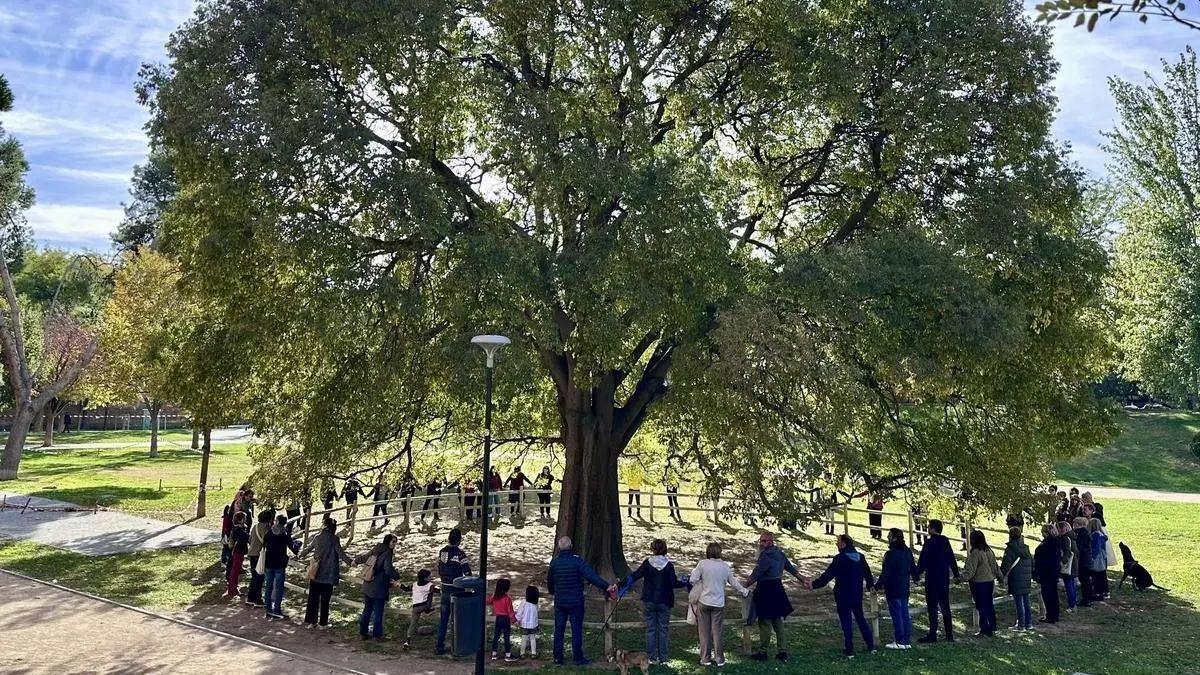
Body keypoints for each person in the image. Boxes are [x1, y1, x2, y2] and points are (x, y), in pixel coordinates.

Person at [547, 536, 616, 666]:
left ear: (559, 547)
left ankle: (557, 657)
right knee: (576, 629)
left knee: (559, 629)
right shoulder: (577, 561)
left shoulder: (554, 563)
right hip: (576, 601)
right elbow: (592, 576)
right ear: (571, 546)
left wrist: (553, 592)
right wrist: (606, 586)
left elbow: (550, 582)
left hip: (560, 602)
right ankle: (578, 657)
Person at [810, 534, 876, 658]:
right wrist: (870, 585)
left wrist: (814, 585)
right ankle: (870, 644)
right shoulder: (860, 557)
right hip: (857, 594)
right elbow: (868, 573)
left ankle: (849, 648)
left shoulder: (840, 558)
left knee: (846, 621)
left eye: (838, 541)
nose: (836, 544)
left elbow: (828, 575)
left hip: (843, 594)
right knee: (860, 618)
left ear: (843, 544)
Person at [623, 538, 687, 665]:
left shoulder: (648, 563)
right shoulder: (668, 565)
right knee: (663, 629)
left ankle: (651, 657)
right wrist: (685, 583)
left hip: (649, 599)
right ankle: (663, 658)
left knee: (650, 629)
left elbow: (635, 575)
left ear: (652, 549)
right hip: (665, 600)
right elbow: (674, 583)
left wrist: (621, 584)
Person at [745, 532, 805, 661]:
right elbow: (791, 569)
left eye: (764, 541)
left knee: (765, 622)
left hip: (766, 591)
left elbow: (755, 575)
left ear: (771, 542)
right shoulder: (780, 553)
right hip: (777, 590)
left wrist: (742, 586)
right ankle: (782, 652)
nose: (761, 543)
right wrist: (802, 579)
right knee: (778, 622)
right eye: (761, 541)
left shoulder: (765, 557)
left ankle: (763, 652)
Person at [690, 542, 749, 667]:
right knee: (717, 632)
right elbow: (734, 582)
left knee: (704, 632)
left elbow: (692, 579)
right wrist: (744, 591)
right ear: (720, 552)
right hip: (718, 603)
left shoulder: (702, 564)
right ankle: (719, 658)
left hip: (704, 601)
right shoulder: (725, 567)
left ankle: (705, 658)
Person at [299, 517, 352, 628]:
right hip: (329, 573)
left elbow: (308, 549)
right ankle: (323, 623)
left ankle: (311, 621)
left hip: (316, 572)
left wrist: (299, 554)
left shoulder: (317, 537)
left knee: (313, 598)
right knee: (325, 600)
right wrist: (351, 562)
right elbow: (340, 553)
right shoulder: (334, 539)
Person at [914, 519, 960, 643]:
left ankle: (932, 633)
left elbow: (923, 561)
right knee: (945, 607)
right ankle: (949, 634)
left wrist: (916, 575)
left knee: (932, 608)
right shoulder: (945, 541)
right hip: (943, 578)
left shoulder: (929, 543)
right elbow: (951, 558)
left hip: (932, 579)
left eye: (929, 527)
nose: (928, 529)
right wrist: (956, 574)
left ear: (933, 528)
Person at [355, 534, 401, 640]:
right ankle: (377, 635)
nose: (395, 544)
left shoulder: (376, 549)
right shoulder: (388, 553)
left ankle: (363, 633)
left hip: (368, 584)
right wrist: (397, 577)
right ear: (388, 542)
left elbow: (365, 557)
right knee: (378, 612)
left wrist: (355, 561)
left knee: (367, 610)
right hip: (379, 587)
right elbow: (388, 569)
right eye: (393, 541)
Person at [434, 528, 472, 655]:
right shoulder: (460, 554)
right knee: (458, 619)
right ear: (459, 540)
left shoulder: (442, 552)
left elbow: (439, 568)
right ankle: (458, 646)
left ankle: (439, 646)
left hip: (444, 588)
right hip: (456, 590)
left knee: (444, 620)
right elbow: (467, 572)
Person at [875, 528, 914, 649]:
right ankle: (906, 640)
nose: (887, 537)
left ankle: (900, 641)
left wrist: (877, 586)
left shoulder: (891, 554)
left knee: (897, 614)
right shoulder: (907, 551)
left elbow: (886, 572)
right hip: (904, 586)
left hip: (893, 587)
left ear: (894, 538)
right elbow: (913, 567)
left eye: (889, 536)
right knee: (904, 613)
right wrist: (916, 577)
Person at [961, 530, 1001, 637]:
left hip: (979, 583)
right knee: (989, 604)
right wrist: (1000, 578)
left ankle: (985, 629)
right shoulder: (989, 551)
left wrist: (961, 578)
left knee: (981, 606)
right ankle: (992, 626)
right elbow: (995, 567)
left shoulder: (975, 553)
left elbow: (970, 571)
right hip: (990, 582)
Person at [262, 514, 299, 619]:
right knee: (279, 588)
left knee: (268, 586)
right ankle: (277, 609)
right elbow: (293, 548)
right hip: (280, 564)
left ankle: (268, 608)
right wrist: (297, 545)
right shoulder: (285, 534)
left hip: (269, 562)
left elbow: (264, 543)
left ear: (277, 521)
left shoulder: (269, 533)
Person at [999, 526, 1034, 631]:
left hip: (1016, 578)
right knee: (1026, 602)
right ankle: (1029, 623)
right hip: (1026, 578)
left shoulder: (1010, 549)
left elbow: (1006, 565)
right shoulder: (1026, 548)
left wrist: (1000, 576)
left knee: (1019, 603)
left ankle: (1021, 625)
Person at [1034, 524, 1062, 624]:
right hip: (1054, 572)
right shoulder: (1057, 543)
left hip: (1046, 573)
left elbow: (1041, 560)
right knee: (1053, 594)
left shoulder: (1045, 545)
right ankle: (1055, 615)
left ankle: (1051, 616)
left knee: (1048, 594)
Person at [403, 569, 437, 649]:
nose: (431, 578)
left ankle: (407, 641)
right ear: (425, 578)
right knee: (429, 594)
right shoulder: (430, 585)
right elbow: (436, 591)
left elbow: (406, 588)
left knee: (413, 624)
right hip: (425, 605)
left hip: (415, 607)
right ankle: (428, 610)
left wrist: (399, 585)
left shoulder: (414, 584)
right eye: (429, 576)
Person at [486, 578, 518, 661]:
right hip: (505, 619)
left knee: (496, 636)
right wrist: (514, 620)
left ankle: (494, 653)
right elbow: (510, 612)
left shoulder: (495, 596)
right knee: (506, 637)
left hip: (498, 618)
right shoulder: (507, 599)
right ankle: (508, 655)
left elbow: (488, 601)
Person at [246, 511, 271, 606]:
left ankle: (250, 597)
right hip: (260, 554)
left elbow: (250, 539)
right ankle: (258, 598)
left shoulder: (255, 527)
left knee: (254, 576)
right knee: (260, 576)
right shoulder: (266, 528)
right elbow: (267, 541)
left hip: (252, 552)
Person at [226, 512, 250, 598]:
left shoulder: (236, 529)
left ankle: (233, 588)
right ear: (240, 520)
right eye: (244, 518)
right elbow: (247, 538)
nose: (245, 520)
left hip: (237, 552)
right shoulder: (239, 531)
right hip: (238, 552)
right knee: (235, 571)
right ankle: (232, 589)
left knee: (235, 570)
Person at [1073, 516, 1095, 605]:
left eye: (1074, 523)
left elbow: (1080, 548)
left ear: (1078, 524)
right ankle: (1089, 597)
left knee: (1084, 579)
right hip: (1087, 559)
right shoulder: (1085, 533)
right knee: (1086, 579)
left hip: (1083, 560)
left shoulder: (1081, 534)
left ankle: (1086, 599)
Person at [515, 585, 541, 658]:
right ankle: (533, 653)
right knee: (532, 638)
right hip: (533, 624)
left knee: (524, 638)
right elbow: (536, 613)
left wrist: (517, 619)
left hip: (524, 624)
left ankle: (522, 653)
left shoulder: (524, 602)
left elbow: (520, 612)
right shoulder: (536, 603)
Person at [1088, 518, 1110, 600]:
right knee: (1101, 575)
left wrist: (1092, 557)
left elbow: (1096, 548)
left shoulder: (1096, 535)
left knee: (1097, 575)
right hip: (1102, 557)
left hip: (1097, 558)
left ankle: (1099, 593)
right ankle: (1103, 592)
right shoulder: (1101, 534)